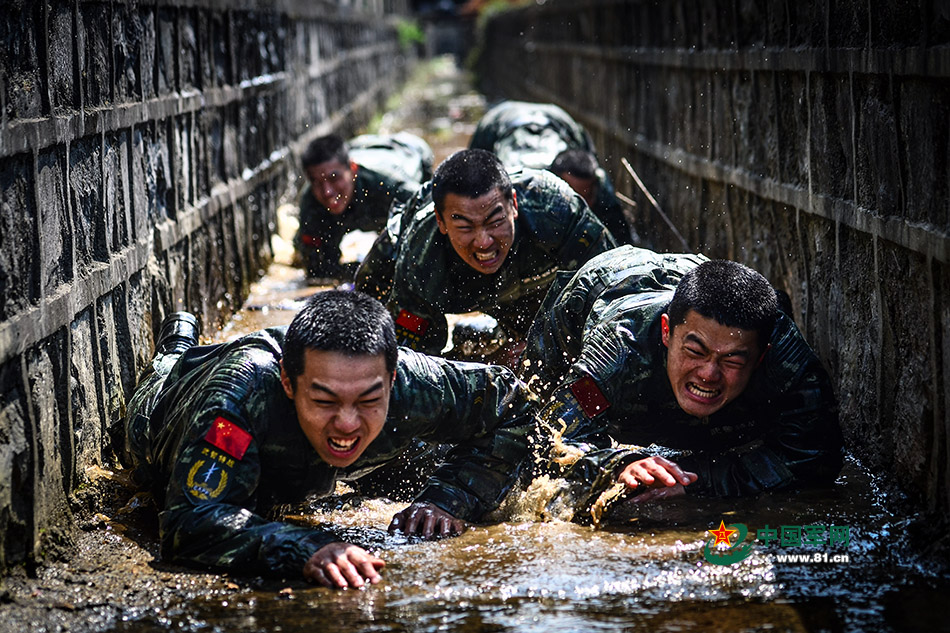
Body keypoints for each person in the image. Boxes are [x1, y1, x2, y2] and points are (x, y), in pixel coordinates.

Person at [124, 290, 536, 588]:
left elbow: (512, 402)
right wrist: (305, 547)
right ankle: (178, 343)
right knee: (161, 382)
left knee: (418, 461)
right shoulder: (241, 398)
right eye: (325, 400)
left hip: (308, 455)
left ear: (392, 378)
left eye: (368, 400)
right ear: (288, 382)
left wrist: (449, 498)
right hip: (165, 408)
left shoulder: (414, 382)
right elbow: (189, 522)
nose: (347, 423)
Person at [520, 246, 843, 522]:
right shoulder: (618, 351)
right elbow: (549, 438)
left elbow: (816, 458)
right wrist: (616, 466)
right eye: (695, 352)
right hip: (602, 284)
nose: (708, 374)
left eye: (731, 361)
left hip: (692, 276)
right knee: (523, 413)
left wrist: (694, 478)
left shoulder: (786, 357)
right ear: (666, 332)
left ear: (760, 357)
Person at [354, 148, 618, 364]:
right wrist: (486, 365)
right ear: (442, 222)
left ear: (514, 205)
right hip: (412, 257)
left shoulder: (554, 208)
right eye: (465, 227)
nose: (484, 242)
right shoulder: (421, 260)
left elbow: (615, 288)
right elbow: (416, 366)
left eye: (495, 222)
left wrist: (549, 345)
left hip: (529, 282)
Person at [468, 100, 630, 244]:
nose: (582, 203)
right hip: (499, 120)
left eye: (587, 197)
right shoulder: (521, 183)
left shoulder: (597, 180)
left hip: (558, 119)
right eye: (575, 197)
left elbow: (619, 233)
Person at [294, 132, 434, 281]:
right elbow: (317, 270)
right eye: (316, 182)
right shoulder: (311, 200)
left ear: (353, 169)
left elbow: (432, 210)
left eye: (334, 178)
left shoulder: (388, 185)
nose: (327, 192)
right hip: (361, 148)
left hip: (408, 149)